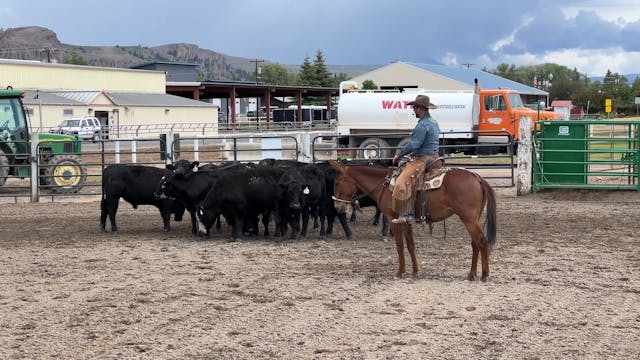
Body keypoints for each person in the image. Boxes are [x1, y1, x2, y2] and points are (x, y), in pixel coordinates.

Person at [391, 94, 440, 224]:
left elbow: (414, 144)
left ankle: (408, 214)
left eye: (415, 107)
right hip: (435, 157)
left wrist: (399, 154)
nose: (414, 110)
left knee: (402, 181)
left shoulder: (422, 125)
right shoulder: (433, 122)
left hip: (423, 159)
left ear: (421, 108)